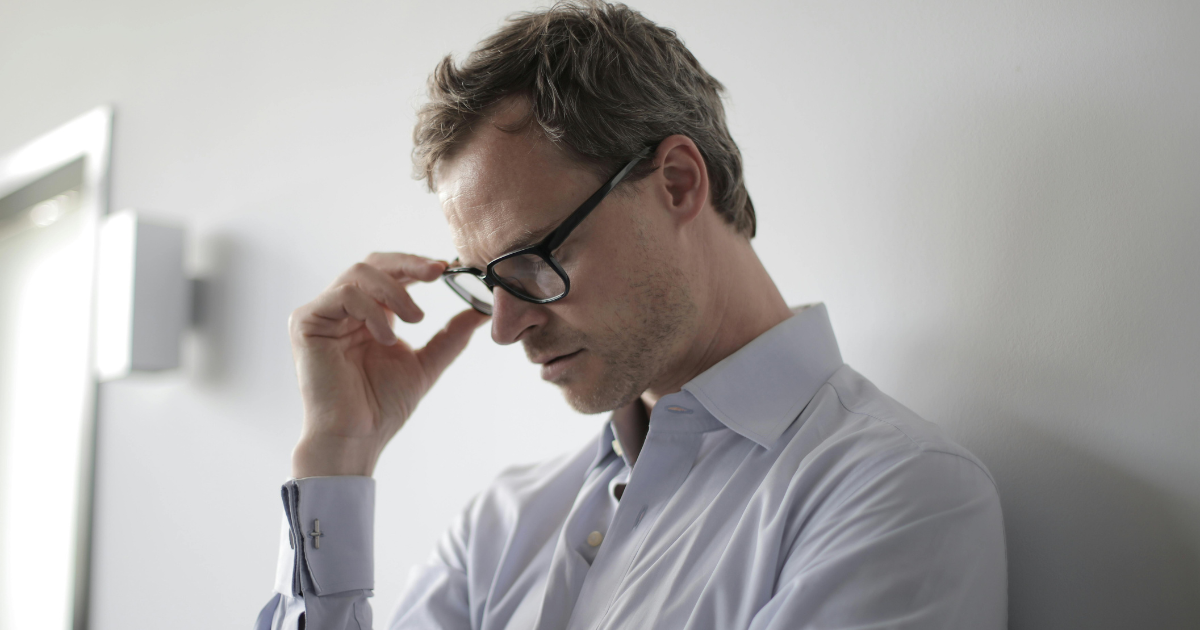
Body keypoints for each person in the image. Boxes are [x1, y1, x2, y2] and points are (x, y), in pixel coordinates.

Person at [256, 2, 1006, 628]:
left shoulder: (894, 496)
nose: (505, 327)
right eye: (486, 281)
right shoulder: (504, 524)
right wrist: (337, 460)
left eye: (534, 259)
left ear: (677, 182)